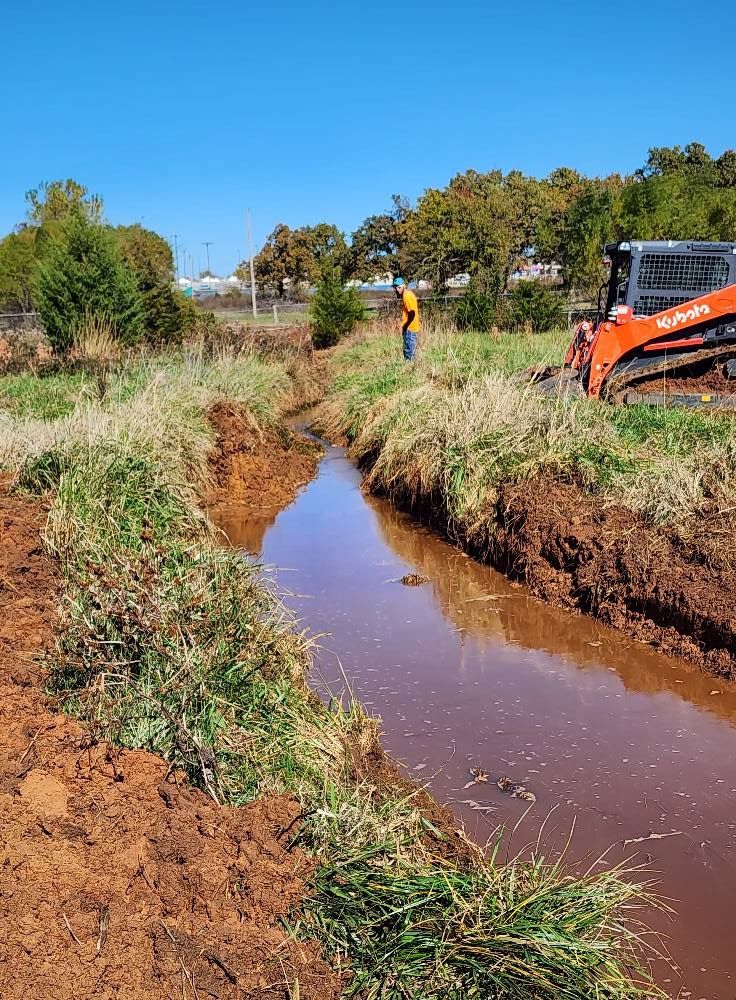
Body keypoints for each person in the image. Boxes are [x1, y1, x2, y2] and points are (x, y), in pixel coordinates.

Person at [392, 276, 421, 361]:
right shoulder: (406, 294)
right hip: (409, 328)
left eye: (399, 287)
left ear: (404, 286)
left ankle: (411, 371)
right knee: (408, 352)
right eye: (395, 287)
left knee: (410, 354)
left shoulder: (407, 296)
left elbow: (412, 313)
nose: (397, 289)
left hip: (410, 329)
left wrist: (405, 326)